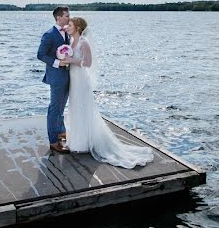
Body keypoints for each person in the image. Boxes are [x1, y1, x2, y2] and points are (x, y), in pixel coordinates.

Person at [63, 17, 153, 169]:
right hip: (73, 79)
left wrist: (71, 60)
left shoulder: (83, 42)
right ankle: (77, 140)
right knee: (74, 107)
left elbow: (88, 63)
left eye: (70, 25)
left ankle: (85, 142)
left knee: (83, 108)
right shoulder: (71, 42)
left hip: (81, 81)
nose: (67, 27)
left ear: (77, 27)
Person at [37, 6, 71, 153]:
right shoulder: (49, 34)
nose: (69, 18)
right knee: (54, 109)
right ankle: (53, 141)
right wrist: (58, 63)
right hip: (56, 77)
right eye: (67, 16)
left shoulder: (68, 34)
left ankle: (61, 132)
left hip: (68, 76)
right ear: (58, 18)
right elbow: (40, 54)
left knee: (61, 108)